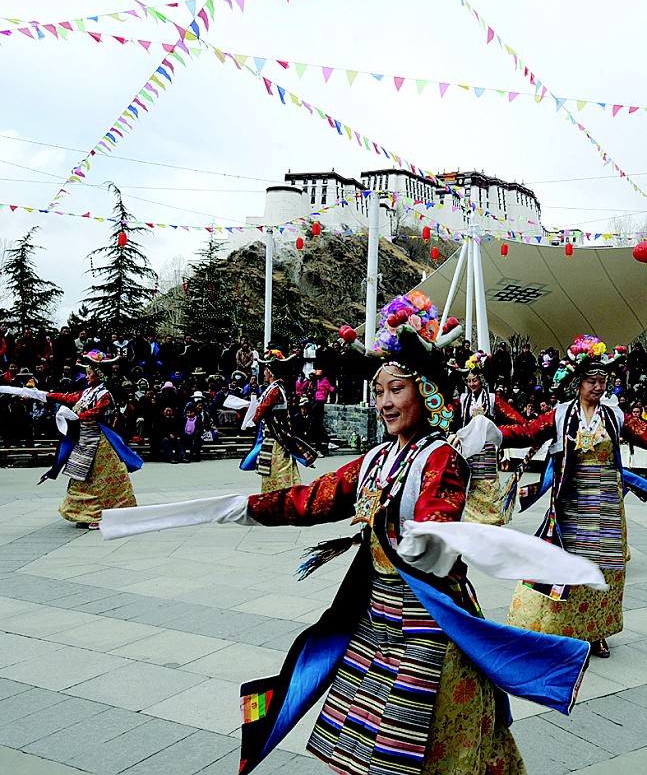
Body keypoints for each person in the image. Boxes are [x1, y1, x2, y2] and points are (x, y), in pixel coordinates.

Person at [102, 292, 604, 775]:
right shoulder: (376, 459)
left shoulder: (442, 457)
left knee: (426, 740)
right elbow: (311, 499)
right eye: (380, 391)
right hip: (374, 618)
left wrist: (425, 540)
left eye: (397, 389)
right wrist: (236, 508)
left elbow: (438, 515)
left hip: (426, 622)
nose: (384, 402)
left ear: (425, 391)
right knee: (365, 736)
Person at [497, 335, 647, 658]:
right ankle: (561, 630)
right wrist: (495, 433)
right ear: (578, 383)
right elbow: (528, 432)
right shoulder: (563, 414)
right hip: (572, 506)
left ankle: (597, 633)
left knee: (604, 575)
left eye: (602, 381)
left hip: (607, 508)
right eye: (591, 381)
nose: (598, 387)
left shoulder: (614, 416)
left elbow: (644, 434)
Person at [0, 351, 142, 529]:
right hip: (84, 440)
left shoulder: (104, 394)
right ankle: (85, 513)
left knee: (104, 479)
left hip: (100, 442)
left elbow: (96, 412)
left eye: (90, 373)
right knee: (81, 476)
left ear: (99, 374)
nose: (87, 376)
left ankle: (103, 514)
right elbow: (66, 398)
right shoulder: (87, 392)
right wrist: (43, 395)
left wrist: (75, 416)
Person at [455, 352, 525, 524]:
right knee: (471, 482)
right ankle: (471, 517)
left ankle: (491, 516)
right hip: (468, 448)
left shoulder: (492, 399)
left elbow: (514, 416)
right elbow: (452, 418)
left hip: (487, 449)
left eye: (475, 380)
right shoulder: (463, 400)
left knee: (487, 481)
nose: (472, 384)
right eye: (469, 381)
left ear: (482, 380)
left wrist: (515, 429)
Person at [240, 350, 317, 492]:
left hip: (276, 431)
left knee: (278, 459)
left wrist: (254, 420)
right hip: (274, 430)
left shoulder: (275, 389)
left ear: (270, 372)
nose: (264, 373)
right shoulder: (276, 387)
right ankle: (280, 487)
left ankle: (281, 488)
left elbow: (265, 407)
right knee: (278, 457)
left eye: (265, 370)